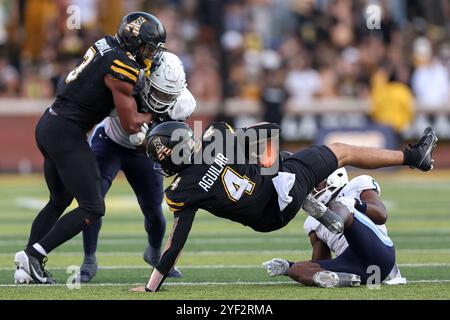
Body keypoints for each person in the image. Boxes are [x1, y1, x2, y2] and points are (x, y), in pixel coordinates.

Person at [131, 121, 436, 292]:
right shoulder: (216, 140)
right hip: (281, 186)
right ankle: (414, 158)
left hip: (268, 218)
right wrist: (269, 164)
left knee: (284, 162)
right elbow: (269, 131)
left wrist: (150, 287)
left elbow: (175, 244)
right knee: (341, 152)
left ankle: (301, 193)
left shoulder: (182, 191)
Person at [14, 12, 166, 284]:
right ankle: (34, 255)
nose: (149, 53)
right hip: (67, 133)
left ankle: (24, 268)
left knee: (59, 200)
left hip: (49, 122)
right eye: (146, 46)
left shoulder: (105, 43)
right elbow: (131, 125)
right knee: (93, 207)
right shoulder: (122, 67)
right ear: (133, 42)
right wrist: (155, 114)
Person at [78, 52, 196, 282]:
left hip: (143, 152)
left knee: (153, 208)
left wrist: (154, 143)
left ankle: (153, 253)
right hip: (110, 140)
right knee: (94, 201)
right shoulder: (127, 80)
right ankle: (89, 259)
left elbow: (171, 136)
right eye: (161, 91)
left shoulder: (182, 102)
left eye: (169, 94)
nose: (164, 98)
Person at [262, 168, 406, 288]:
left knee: (338, 205)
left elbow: (381, 215)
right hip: (354, 267)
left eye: (316, 184)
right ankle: (341, 279)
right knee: (296, 269)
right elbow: (320, 260)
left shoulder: (357, 186)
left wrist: (355, 203)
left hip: (378, 252)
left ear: (334, 177)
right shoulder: (312, 221)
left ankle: (336, 221)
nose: (312, 190)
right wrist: (289, 267)